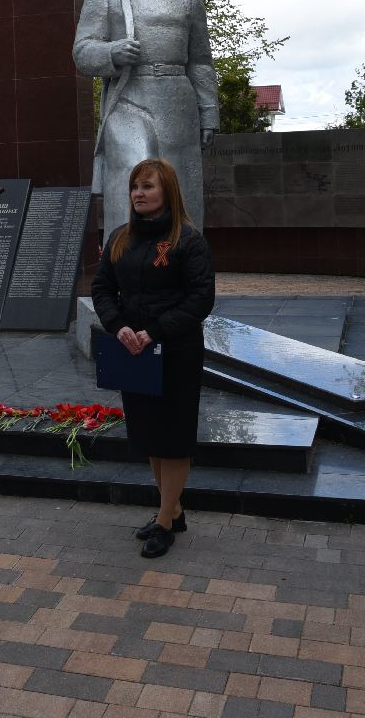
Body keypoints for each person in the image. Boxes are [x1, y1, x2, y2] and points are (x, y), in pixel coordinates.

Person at [90, 158, 216, 558]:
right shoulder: (120, 238)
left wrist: (155, 330)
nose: (138, 193)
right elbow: (102, 287)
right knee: (150, 436)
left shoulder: (188, 240)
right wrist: (117, 324)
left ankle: (165, 522)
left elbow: (201, 298)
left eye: (147, 187)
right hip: (134, 351)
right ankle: (171, 510)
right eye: (135, 187)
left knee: (173, 439)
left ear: (168, 193)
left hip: (175, 351)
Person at [73, 0, 218, 238]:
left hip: (178, 104)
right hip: (129, 101)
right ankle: (124, 265)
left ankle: (183, 267)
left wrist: (209, 113)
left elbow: (201, 61)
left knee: (181, 191)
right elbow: (82, 52)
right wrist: (112, 52)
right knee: (131, 183)